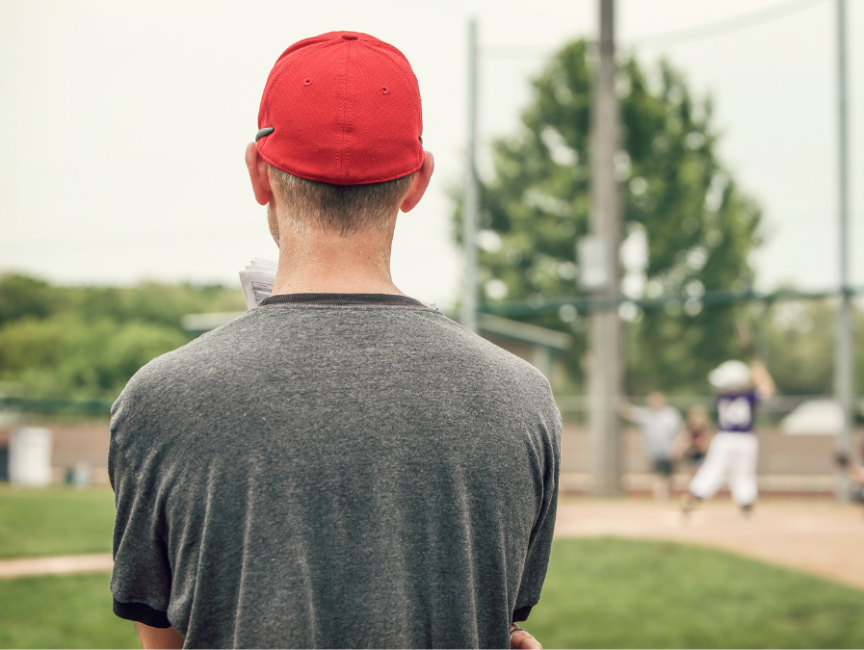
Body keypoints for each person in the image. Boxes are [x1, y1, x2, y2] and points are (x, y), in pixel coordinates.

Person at [108, 31, 558, 650]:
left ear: (258, 172)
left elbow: (165, 641)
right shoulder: (523, 401)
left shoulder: (157, 400)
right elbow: (502, 624)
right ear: (418, 181)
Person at [682, 359, 776, 519]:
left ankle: (694, 498)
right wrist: (760, 372)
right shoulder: (749, 395)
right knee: (744, 474)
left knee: (712, 469)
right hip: (746, 439)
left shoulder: (722, 396)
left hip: (725, 438)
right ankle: (746, 508)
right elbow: (769, 389)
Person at [622, 392, 683, 500]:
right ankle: (659, 494)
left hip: (668, 449)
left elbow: (679, 432)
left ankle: (665, 493)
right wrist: (621, 401)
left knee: (667, 473)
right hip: (653, 450)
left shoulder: (670, 414)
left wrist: (677, 447)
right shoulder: (647, 414)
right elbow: (630, 413)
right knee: (657, 473)